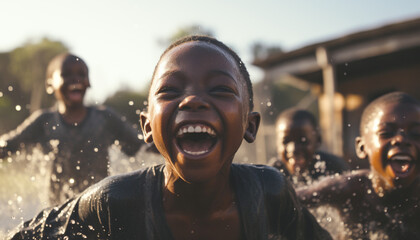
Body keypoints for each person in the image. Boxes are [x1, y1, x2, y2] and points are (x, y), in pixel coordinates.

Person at [8, 36, 332, 240]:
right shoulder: (114, 204)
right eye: (171, 91)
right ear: (149, 125)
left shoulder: (270, 192)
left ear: (250, 125)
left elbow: (133, 145)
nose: (192, 101)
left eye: (220, 89)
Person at [0, 53, 144, 204]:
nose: (76, 79)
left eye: (82, 74)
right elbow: (9, 145)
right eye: (66, 74)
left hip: (99, 207)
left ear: (89, 82)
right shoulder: (43, 122)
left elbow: (141, 147)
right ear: (50, 85)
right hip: (58, 211)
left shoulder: (105, 118)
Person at [297, 92, 420, 239]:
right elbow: (288, 199)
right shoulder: (349, 190)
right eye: (386, 133)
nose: (401, 139)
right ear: (362, 147)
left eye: (416, 134)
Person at [269, 108, 349, 185]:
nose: (293, 149)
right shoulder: (272, 173)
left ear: (318, 140)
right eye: (285, 142)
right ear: (277, 144)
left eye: (302, 141)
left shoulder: (334, 167)